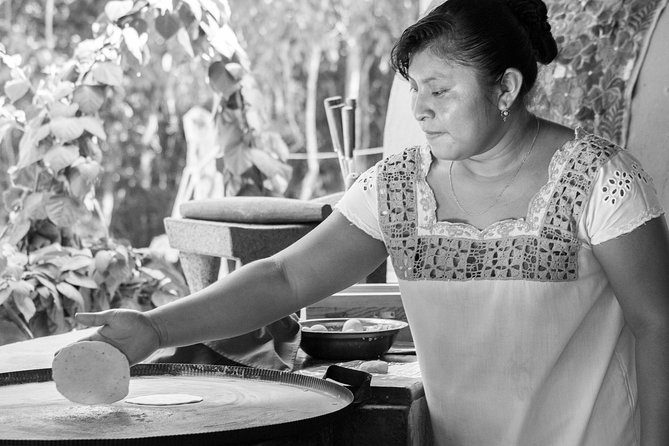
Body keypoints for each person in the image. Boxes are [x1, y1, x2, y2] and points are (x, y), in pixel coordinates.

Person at [75, 0, 669, 444]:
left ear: (505, 87)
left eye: (440, 89)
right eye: (416, 88)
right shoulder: (399, 186)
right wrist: (154, 330)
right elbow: (284, 279)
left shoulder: (599, 179)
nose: (420, 108)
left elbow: (657, 324)